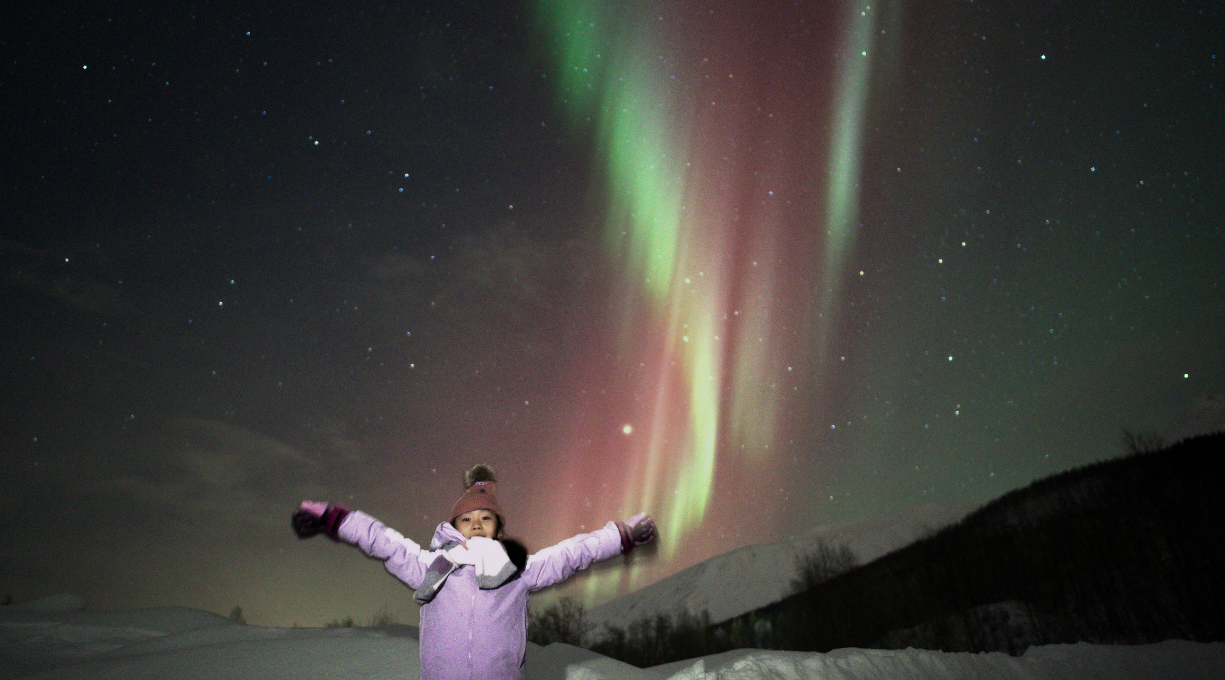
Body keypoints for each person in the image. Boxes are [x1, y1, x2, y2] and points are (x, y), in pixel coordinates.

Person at [292, 463, 656, 680]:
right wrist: (334, 518)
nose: (476, 523)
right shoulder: (430, 567)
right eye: (466, 519)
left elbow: (572, 553)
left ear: (499, 528)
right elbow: (384, 541)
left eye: (485, 517)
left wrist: (620, 535)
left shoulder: (518, 571)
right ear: (453, 528)